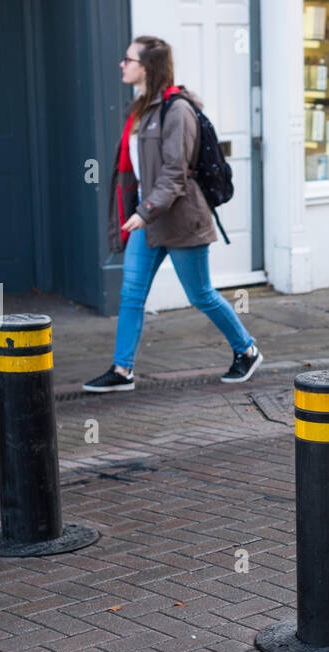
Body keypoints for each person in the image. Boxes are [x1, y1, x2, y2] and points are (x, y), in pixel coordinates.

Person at [86, 36, 261, 393]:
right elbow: (133, 170)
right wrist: (139, 211)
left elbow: (174, 172)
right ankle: (122, 370)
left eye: (128, 59)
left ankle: (247, 349)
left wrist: (144, 211)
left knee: (201, 294)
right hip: (148, 221)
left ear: (147, 67)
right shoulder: (142, 108)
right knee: (132, 294)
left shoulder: (176, 110)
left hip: (180, 219)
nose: (122, 64)